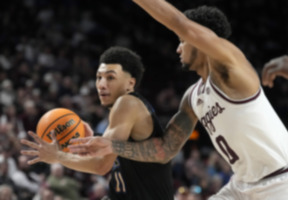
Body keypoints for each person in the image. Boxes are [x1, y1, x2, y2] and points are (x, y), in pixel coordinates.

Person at [69, 2, 288, 200]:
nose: (178, 48)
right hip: (241, 186)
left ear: (199, 39)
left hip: (281, 183)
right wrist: (113, 146)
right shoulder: (193, 97)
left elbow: (181, 24)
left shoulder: (232, 71)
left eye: (182, 41)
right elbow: (165, 150)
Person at [20, 46, 174, 200]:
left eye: (110, 77)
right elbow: (110, 154)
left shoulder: (127, 103)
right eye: (99, 77)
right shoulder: (124, 112)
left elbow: (101, 166)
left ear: (130, 83)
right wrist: (93, 137)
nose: (101, 84)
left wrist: (58, 156)